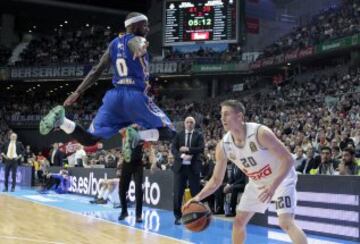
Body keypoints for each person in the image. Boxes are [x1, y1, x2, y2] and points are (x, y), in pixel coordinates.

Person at [39, 12, 175, 163]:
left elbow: (96, 71)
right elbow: (137, 43)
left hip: (115, 98)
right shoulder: (138, 40)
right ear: (134, 26)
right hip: (134, 96)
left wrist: (77, 92)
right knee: (169, 132)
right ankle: (137, 136)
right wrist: (140, 46)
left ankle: (62, 121)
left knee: (90, 140)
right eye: (145, 25)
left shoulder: (113, 44)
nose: (148, 29)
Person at [184, 100, 307, 244]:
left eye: (227, 114)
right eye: (221, 115)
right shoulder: (223, 146)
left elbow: (288, 160)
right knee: (238, 221)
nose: (222, 118)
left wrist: (273, 187)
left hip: (281, 179)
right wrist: (198, 197)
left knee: (285, 222)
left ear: (240, 117)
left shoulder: (260, 133)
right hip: (257, 183)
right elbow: (216, 180)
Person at [172, 116, 204, 225]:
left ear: (194, 124)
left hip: (193, 167)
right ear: (184, 124)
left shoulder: (199, 135)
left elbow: (201, 148)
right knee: (178, 193)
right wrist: (182, 156)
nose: (189, 124)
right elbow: (173, 149)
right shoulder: (178, 135)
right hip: (180, 168)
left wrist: (188, 149)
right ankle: (178, 216)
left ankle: (197, 215)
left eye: (191, 122)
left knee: (195, 193)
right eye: (187, 122)